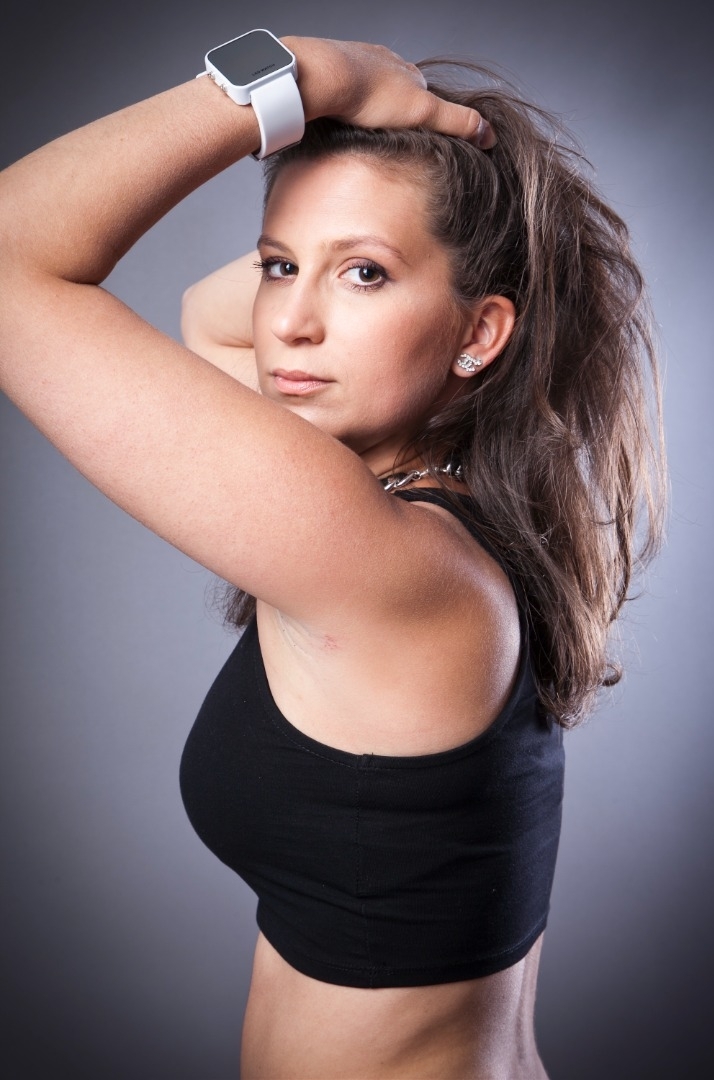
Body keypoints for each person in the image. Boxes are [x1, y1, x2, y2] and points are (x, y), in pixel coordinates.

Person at [0, 30, 664, 1080]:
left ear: (481, 333)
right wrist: (361, 225)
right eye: (278, 267)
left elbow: (9, 258)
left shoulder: (385, 560)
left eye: (364, 276)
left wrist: (308, 78)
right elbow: (216, 323)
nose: (292, 324)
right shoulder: (436, 521)